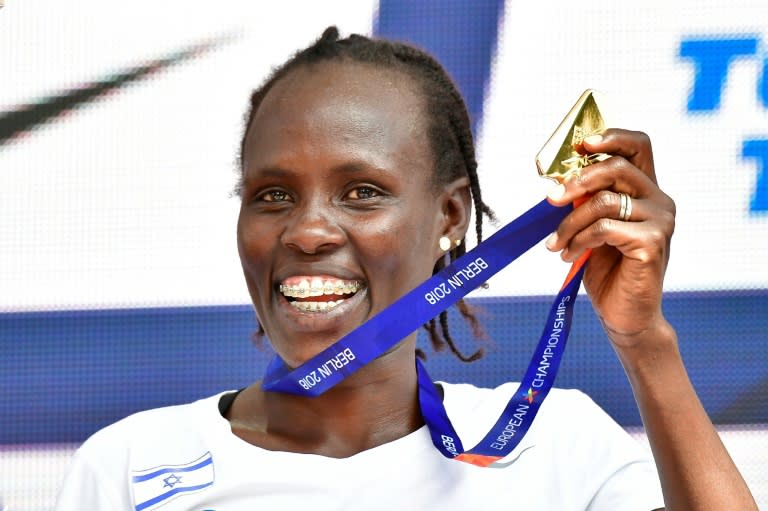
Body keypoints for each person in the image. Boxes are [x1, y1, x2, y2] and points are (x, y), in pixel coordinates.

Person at [55, 27, 757, 510]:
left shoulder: (557, 443)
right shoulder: (128, 466)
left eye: (361, 191)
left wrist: (645, 342)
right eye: (272, 194)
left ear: (450, 216)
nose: (306, 230)